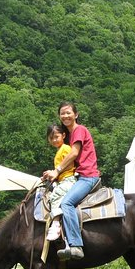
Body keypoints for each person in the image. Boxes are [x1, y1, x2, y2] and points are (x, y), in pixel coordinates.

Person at [42, 102, 100, 260]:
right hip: (77, 176)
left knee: (66, 203)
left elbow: (74, 153)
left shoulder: (79, 130)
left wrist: (57, 171)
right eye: (62, 113)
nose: (65, 116)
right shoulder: (68, 138)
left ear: (76, 114)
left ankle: (76, 245)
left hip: (87, 176)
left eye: (68, 113)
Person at [44, 124, 77, 242]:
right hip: (62, 180)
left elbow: (69, 163)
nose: (54, 140)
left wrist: (55, 171)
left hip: (69, 179)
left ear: (63, 135)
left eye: (56, 137)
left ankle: (56, 223)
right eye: (51, 138)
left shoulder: (66, 148)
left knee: (56, 195)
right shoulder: (59, 151)